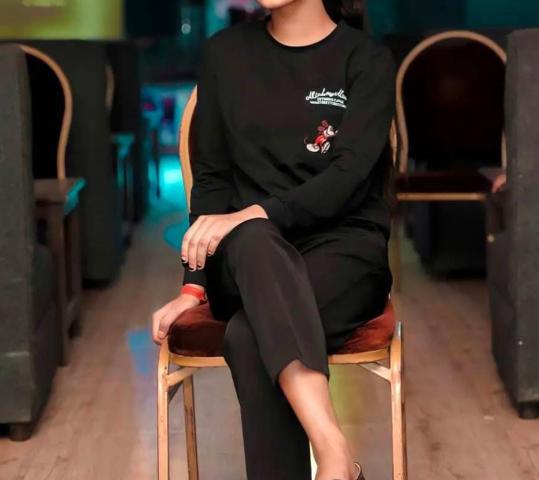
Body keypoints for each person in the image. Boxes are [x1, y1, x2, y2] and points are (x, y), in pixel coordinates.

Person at [152, 1, 394, 478]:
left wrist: (256, 212)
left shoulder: (366, 60)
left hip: (343, 254)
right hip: (246, 259)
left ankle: (334, 462)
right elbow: (212, 180)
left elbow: (347, 177)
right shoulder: (224, 55)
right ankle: (336, 456)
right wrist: (193, 286)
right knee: (254, 238)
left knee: (248, 337)